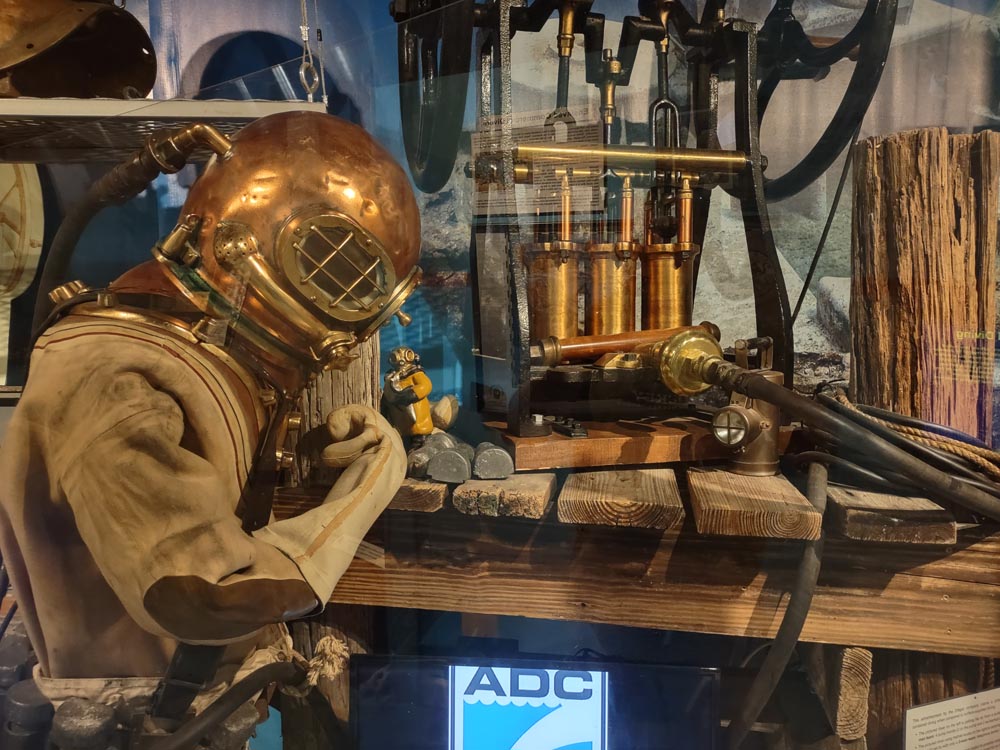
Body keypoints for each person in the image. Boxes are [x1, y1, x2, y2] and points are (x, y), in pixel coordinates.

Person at [0, 111, 421, 733]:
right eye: (333, 269)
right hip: (138, 720)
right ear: (239, 244)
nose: (349, 317)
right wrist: (372, 482)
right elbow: (204, 598)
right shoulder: (114, 378)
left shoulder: (185, 352)